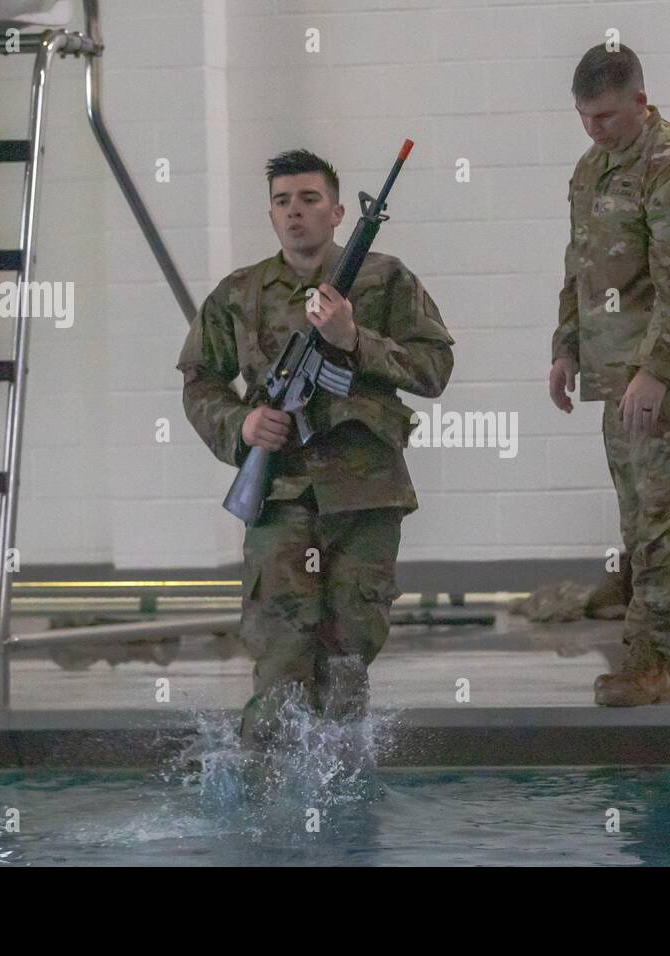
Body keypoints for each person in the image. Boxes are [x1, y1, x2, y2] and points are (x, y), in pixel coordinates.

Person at [177, 149, 454, 744]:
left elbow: (434, 369)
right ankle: (261, 794)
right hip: (280, 497)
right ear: (271, 216)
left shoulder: (385, 280)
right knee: (280, 662)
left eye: (308, 200)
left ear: (335, 212)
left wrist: (354, 338)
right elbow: (200, 381)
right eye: (282, 202)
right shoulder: (240, 294)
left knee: (348, 662)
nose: (295, 213)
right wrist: (242, 427)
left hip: (365, 495)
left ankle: (339, 797)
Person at [549, 43, 670, 706]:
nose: (595, 129)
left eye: (606, 116)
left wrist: (657, 371)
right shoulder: (590, 171)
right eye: (585, 117)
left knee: (664, 525)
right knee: (640, 524)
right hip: (615, 371)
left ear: (641, 103)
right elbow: (578, 266)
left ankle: (645, 664)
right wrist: (565, 348)